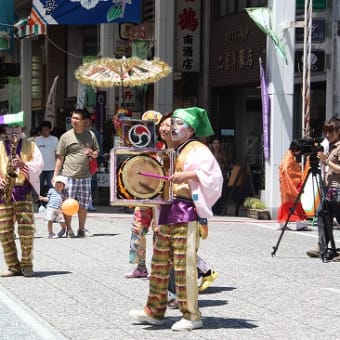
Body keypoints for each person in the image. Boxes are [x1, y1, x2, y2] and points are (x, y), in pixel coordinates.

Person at [129, 107, 223, 331]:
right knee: (159, 263)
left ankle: (191, 315)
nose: (173, 127)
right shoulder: (172, 149)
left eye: (179, 124)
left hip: (185, 210)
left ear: (191, 130)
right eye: (173, 124)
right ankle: (154, 310)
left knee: (183, 265)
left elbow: (214, 177)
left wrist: (188, 175)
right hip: (166, 210)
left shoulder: (197, 149)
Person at [0, 111, 44, 277]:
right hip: (3, 194)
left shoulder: (31, 146)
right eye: (9, 128)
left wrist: (22, 163)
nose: (13, 131)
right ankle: (13, 266)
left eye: (16, 127)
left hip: (22, 190)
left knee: (26, 230)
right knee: (4, 232)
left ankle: (27, 264)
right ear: (4, 131)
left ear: (22, 128)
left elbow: (39, 164)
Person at [125, 111, 168, 279]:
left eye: (155, 125)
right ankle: (140, 266)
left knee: (159, 230)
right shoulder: (139, 144)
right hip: (143, 193)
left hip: (160, 195)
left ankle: (158, 267)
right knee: (137, 228)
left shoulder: (167, 146)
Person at [52, 108, 99, 238]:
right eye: (73, 118)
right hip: (69, 176)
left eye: (77, 119)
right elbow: (60, 157)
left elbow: (96, 152)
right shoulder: (65, 137)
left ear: (84, 121)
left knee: (83, 204)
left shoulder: (91, 135)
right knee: (68, 204)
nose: (74, 121)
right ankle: (69, 229)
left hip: (85, 176)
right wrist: (55, 175)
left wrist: (92, 153)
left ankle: (81, 229)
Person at [307, 117, 340, 260]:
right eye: (325, 132)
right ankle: (322, 245)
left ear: (338, 131)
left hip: (337, 188)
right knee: (322, 213)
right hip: (329, 188)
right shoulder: (331, 146)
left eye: (330, 131)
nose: (327, 135)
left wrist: (326, 161)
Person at [277, 140, 308, 231]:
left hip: (286, 185)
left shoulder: (288, 157)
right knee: (294, 204)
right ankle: (297, 224)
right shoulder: (289, 159)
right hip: (289, 185)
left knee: (288, 204)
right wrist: (296, 182)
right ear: (295, 150)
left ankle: (284, 224)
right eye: (298, 151)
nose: (299, 153)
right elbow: (288, 172)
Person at [35, 120, 59, 197]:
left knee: (51, 186)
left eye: (47, 129)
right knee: (39, 186)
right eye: (43, 130)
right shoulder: (37, 140)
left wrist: (57, 166)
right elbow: (34, 154)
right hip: (39, 168)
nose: (45, 131)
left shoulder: (55, 139)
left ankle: (52, 200)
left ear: (50, 130)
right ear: (41, 130)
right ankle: (39, 200)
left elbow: (57, 153)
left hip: (51, 167)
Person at [210, 137, 229, 215]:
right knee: (212, 192)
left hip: (221, 175)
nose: (216, 145)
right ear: (212, 145)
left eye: (217, 143)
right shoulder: (210, 153)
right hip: (212, 176)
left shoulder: (223, 153)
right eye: (215, 143)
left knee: (221, 192)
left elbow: (226, 163)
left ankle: (221, 210)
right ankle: (213, 209)